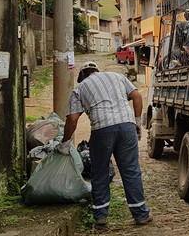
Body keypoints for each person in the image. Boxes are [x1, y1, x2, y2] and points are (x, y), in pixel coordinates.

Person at [57, 61, 152, 227]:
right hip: (127, 126)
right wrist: (137, 123)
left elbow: (72, 119)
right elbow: (136, 96)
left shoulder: (80, 88)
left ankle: (101, 217)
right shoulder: (117, 76)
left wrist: (64, 143)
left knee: (99, 171)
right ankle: (141, 215)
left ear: (82, 76)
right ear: (96, 71)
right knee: (131, 170)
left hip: (102, 130)